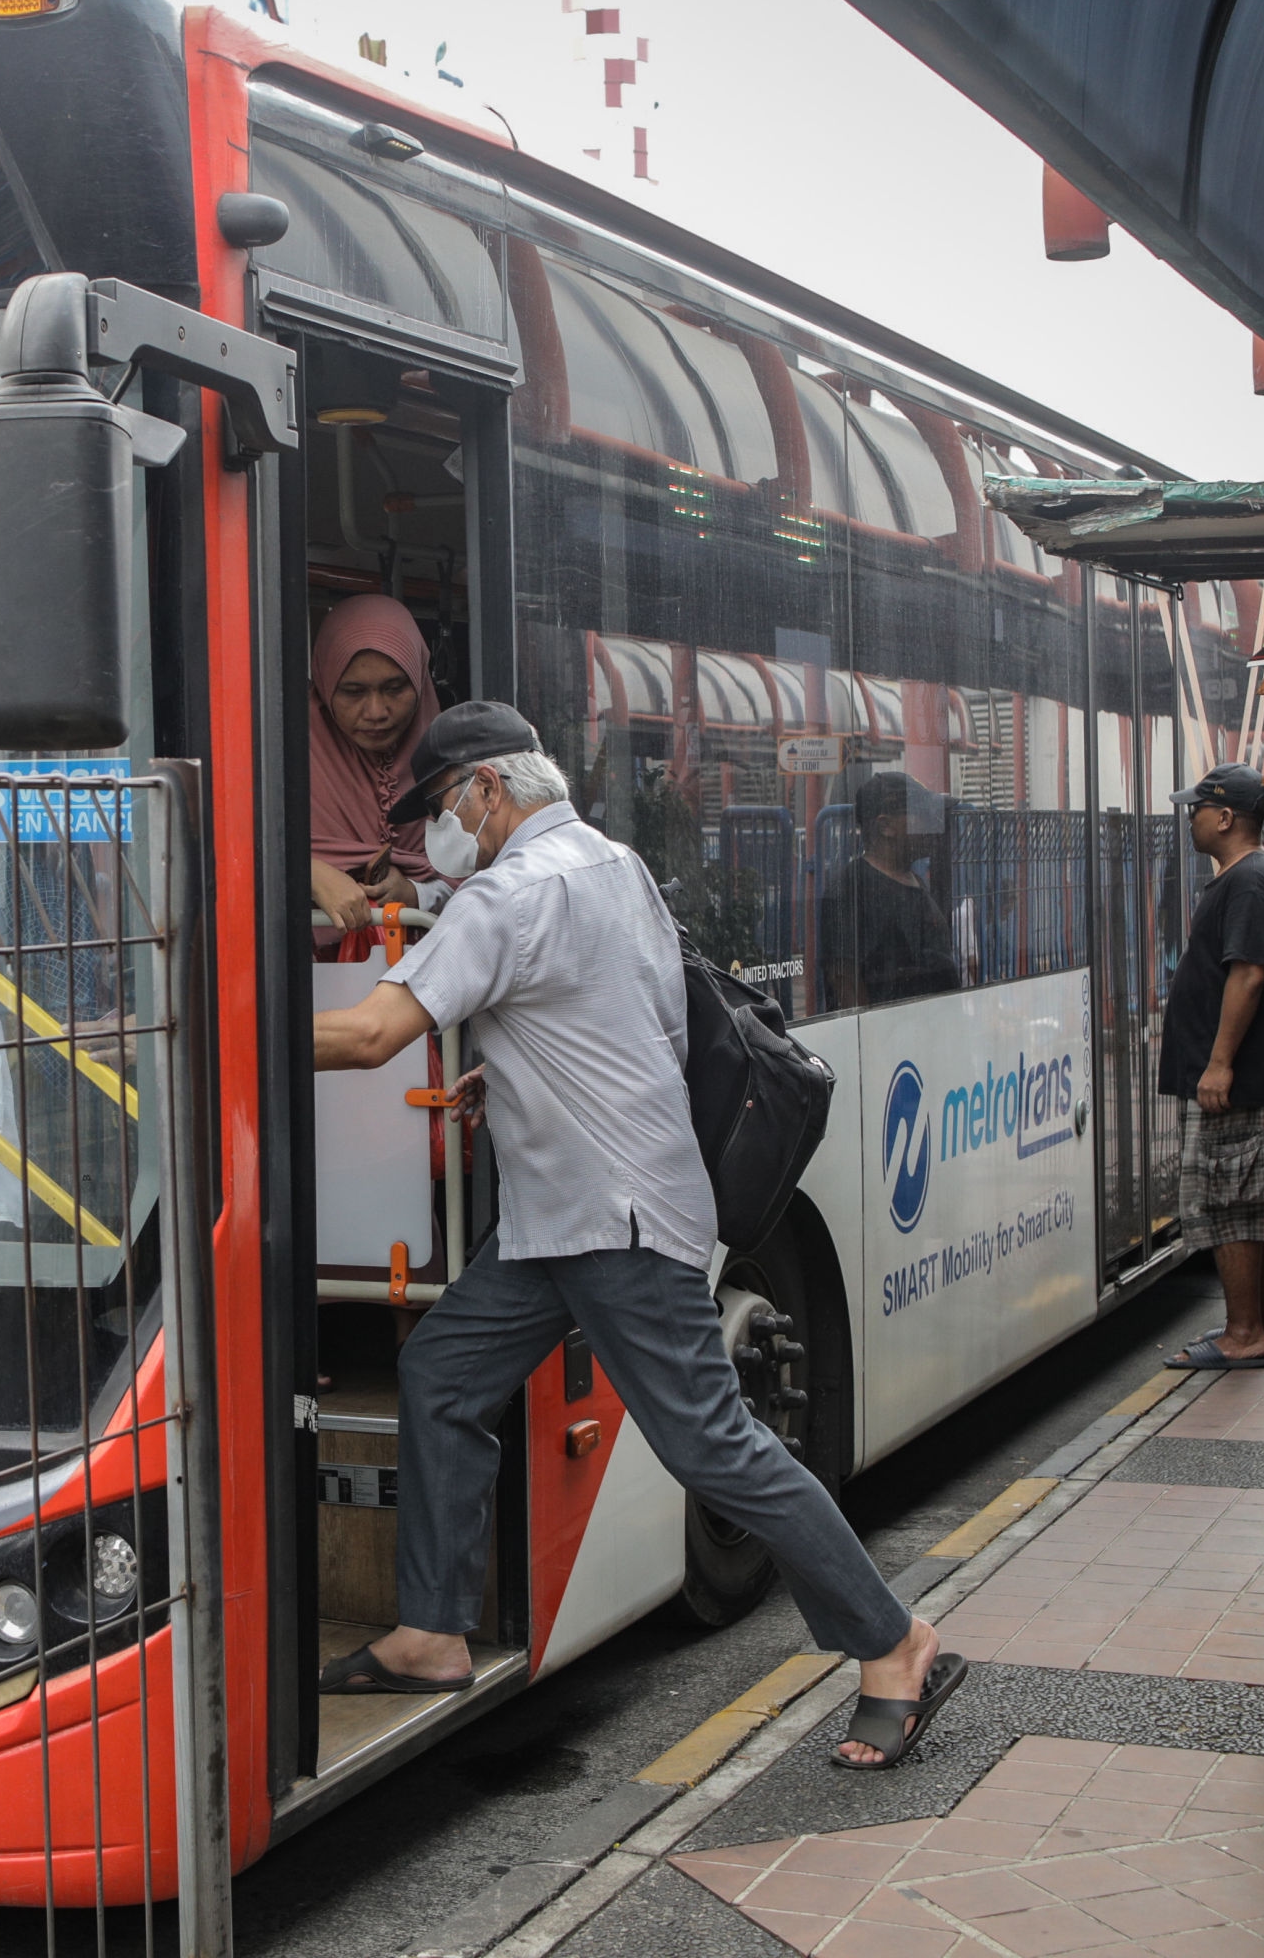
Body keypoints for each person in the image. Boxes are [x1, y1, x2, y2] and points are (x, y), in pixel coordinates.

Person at [310, 700, 964, 1771]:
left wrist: (224, 1030)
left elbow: (375, 1031)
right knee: (442, 1374)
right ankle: (431, 1632)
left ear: (486, 789)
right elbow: (645, 1024)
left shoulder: (508, 893)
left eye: (436, 807)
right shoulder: (612, 862)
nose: (432, 833)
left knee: (711, 1441)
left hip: (609, 1219)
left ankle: (894, 1641)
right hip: (567, 1215)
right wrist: (515, 1073)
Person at [1160, 762, 1264, 1372]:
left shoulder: (1248, 882)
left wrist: (1219, 1063)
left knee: (1234, 1203)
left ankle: (1244, 1333)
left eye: (1197, 809)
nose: (1190, 819)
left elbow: (1248, 973)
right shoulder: (1255, 876)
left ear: (1225, 818)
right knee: (1257, 1203)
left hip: (1244, 1082)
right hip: (1260, 1078)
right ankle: (1260, 1328)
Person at [308, 594, 443, 934]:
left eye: (395, 688)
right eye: (353, 692)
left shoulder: (452, 764)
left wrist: (416, 894)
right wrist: (308, 873)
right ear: (325, 684)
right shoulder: (278, 760)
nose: (376, 712)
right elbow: (229, 857)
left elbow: (487, 882)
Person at [819, 770, 958, 1010]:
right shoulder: (850, 890)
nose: (931, 825)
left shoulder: (914, 880)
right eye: (921, 815)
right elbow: (845, 982)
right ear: (885, 826)